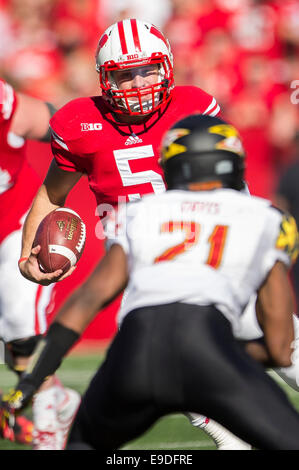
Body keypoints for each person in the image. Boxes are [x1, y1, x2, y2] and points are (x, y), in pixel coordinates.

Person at [14, 18, 299, 450]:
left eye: (147, 69)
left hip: (212, 258)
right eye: (124, 74)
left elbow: (231, 189)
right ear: (104, 79)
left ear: (167, 66)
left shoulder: (194, 105)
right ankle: (228, 436)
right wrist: (28, 254)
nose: (139, 83)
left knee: (284, 353)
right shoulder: (80, 123)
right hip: (144, 266)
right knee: (170, 352)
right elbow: (52, 196)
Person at [0, 79, 80, 450]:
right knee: (14, 343)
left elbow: (56, 123)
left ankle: (49, 410)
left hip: (14, 226)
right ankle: (58, 398)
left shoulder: (5, 105)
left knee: (20, 321)